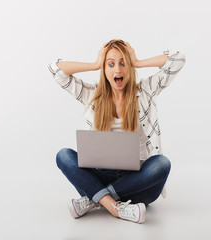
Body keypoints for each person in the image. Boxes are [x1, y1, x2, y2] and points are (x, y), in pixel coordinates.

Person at [48, 39, 186, 224]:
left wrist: (137, 61)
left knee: (162, 163)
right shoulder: (92, 94)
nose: (118, 70)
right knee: (63, 155)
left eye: (123, 63)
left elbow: (178, 60)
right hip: (102, 175)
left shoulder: (144, 91)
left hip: (138, 181)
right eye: (110, 64)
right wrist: (95, 64)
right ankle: (116, 208)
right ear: (104, 70)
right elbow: (55, 70)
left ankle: (96, 200)